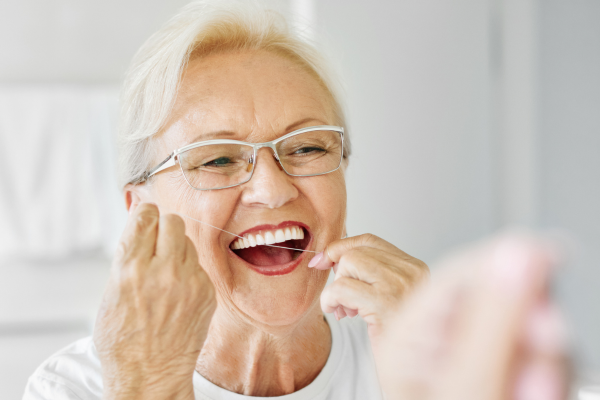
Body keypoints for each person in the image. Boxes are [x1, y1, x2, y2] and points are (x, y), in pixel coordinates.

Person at [24, 2, 429, 399]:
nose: (272, 190)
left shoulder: (413, 350)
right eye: (217, 158)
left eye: (306, 148)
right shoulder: (71, 390)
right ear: (142, 217)